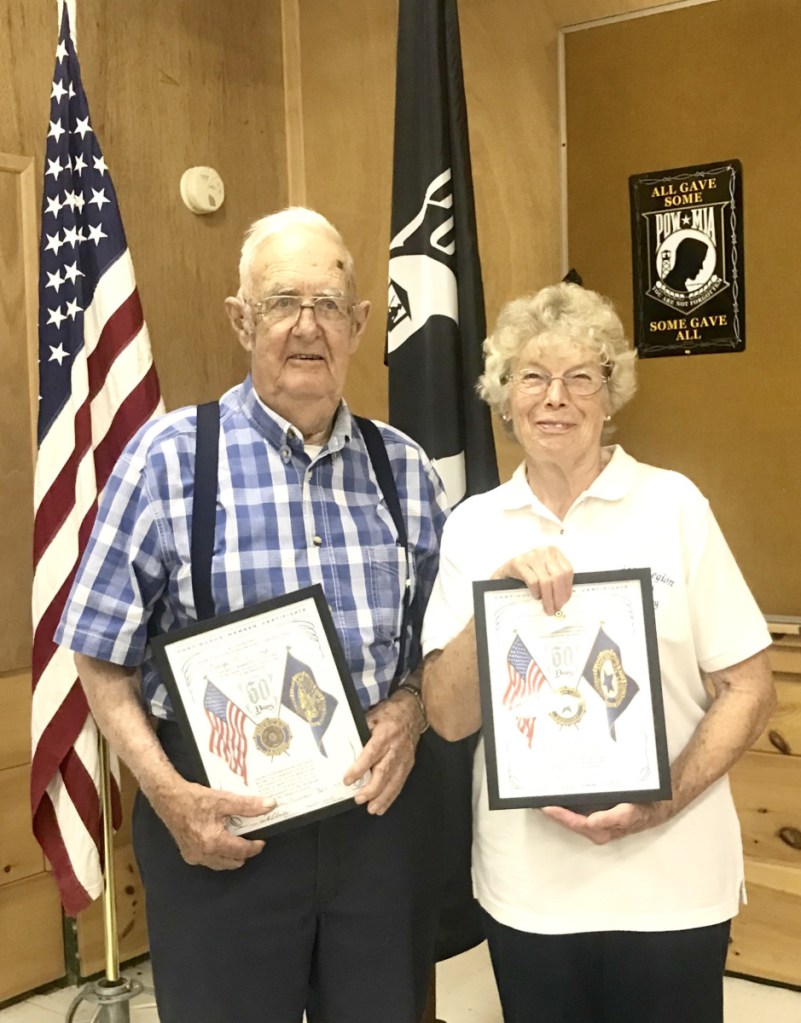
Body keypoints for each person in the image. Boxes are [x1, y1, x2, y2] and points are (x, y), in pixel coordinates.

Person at [56, 207, 450, 1023]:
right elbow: (99, 657)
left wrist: (409, 710)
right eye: (281, 303)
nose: (307, 327)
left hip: (372, 827)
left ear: (359, 324)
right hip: (216, 830)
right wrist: (167, 795)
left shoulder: (404, 469)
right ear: (242, 319)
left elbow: (435, 646)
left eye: (329, 305)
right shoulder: (167, 460)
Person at [421, 282, 775, 1023]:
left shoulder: (674, 505)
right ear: (503, 395)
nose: (555, 397)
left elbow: (749, 687)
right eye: (532, 376)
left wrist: (659, 800)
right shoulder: (473, 527)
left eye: (580, 376)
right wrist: (495, 596)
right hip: (531, 889)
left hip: (671, 883)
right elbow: (449, 718)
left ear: (609, 394)